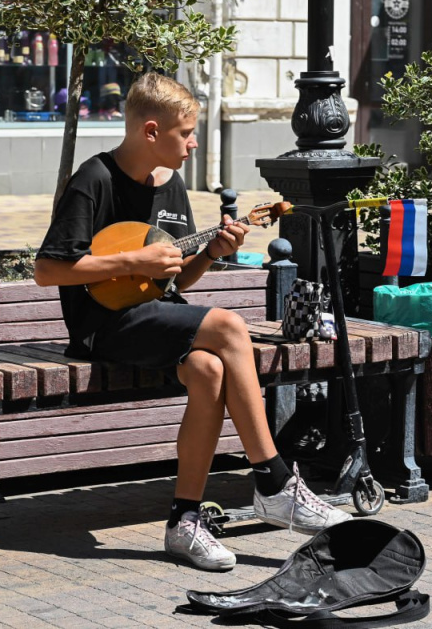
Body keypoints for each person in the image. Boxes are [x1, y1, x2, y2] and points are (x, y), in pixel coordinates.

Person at [34, 72, 351, 571]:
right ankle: (273, 480)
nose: (193, 143)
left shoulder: (173, 186)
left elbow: (175, 281)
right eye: (185, 133)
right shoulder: (94, 179)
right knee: (229, 326)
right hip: (103, 327)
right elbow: (47, 270)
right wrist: (133, 260)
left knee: (208, 370)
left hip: (153, 318)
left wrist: (210, 253)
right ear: (151, 131)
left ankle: (184, 523)